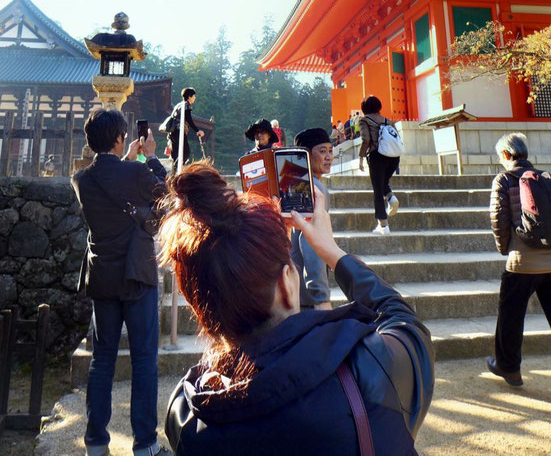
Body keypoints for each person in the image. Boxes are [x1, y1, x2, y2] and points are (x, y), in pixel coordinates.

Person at [161, 162, 434, 455]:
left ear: (197, 304)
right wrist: (330, 250)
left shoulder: (185, 413)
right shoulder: (369, 368)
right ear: (287, 285)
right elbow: (406, 323)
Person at [72, 108, 171, 456]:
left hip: (102, 276)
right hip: (137, 276)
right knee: (144, 359)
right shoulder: (137, 172)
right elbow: (166, 194)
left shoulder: (81, 179)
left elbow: (111, 180)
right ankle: (144, 444)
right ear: (119, 138)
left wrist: (127, 160)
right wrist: (152, 155)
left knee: (102, 359)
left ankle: (96, 443)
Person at [486, 132, 551, 387]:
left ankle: (509, 368)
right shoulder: (549, 178)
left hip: (523, 263)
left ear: (506, 155)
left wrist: (506, 250)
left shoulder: (503, 179)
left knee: (511, 315)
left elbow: (498, 220)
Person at [291, 127, 333, 309]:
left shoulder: (295, 183)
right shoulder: (313, 189)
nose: (329, 156)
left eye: (331, 150)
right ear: (306, 156)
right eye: (322, 151)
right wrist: (322, 298)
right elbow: (311, 242)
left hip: (294, 291)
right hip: (306, 299)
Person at [358, 95, 400, 235]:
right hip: (394, 157)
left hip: (377, 156)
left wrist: (361, 157)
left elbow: (366, 139)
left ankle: (383, 225)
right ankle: (391, 198)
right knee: (383, 183)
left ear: (364, 108)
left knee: (377, 189)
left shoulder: (364, 120)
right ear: (379, 107)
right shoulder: (388, 121)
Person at [168, 87, 205, 167]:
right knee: (185, 152)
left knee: (176, 154)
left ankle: (175, 173)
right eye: (194, 96)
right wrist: (197, 130)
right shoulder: (186, 105)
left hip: (172, 132)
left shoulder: (179, 105)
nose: (195, 98)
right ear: (189, 97)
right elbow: (189, 119)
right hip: (179, 131)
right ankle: (178, 169)